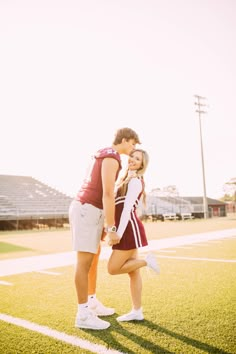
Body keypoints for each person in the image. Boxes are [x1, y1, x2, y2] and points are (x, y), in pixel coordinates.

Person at [69, 127, 141, 330]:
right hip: (87, 209)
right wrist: (112, 227)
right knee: (83, 262)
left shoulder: (105, 154)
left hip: (91, 210)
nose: (133, 148)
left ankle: (90, 301)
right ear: (125, 140)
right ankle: (82, 313)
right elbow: (108, 193)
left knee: (92, 259)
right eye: (133, 143)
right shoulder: (112, 156)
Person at [107, 148, 160, 322]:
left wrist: (117, 234)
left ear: (142, 165)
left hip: (128, 229)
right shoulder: (124, 179)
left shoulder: (136, 181)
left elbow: (127, 211)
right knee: (133, 272)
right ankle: (137, 311)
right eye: (132, 156)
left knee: (113, 268)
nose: (133, 160)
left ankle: (147, 261)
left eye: (137, 159)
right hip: (127, 228)